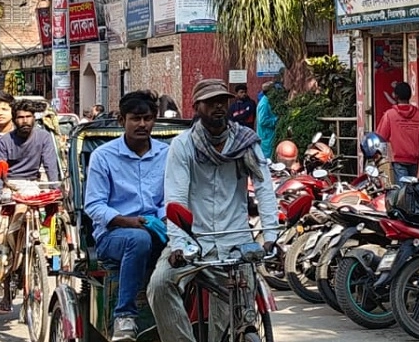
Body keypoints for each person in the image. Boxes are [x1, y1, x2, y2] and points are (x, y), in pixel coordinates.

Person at [149, 79, 278, 342]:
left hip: (236, 242)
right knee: (160, 284)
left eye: (222, 101)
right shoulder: (183, 145)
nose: (218, 107)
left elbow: (264, 188)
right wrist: (179, 245)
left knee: (235, 317)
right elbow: (176, 197)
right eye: (211, 102)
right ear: (197, 107)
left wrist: (271, 235)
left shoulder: (246, 142)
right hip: (194, 242)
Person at [85, 91, 169, 342]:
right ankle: (125, 316)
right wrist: (127, 221)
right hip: (113, 236)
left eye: (148, 118)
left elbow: (171, 198)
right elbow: (94, 205)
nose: (142, 124)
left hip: (159, 231)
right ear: (122, 120)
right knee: (138, 238)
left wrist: (165, 218)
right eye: (135, 118)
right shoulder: (104, 156)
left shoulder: (166, 153)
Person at [0, 98, 62, 314]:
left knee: (58, 218)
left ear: (34, 118)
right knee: (4, 238)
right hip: (10, 188)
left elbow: (51, 166)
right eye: (20, 117)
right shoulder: (4, 141)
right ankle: (6, 291)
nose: (24, 121)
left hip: (33, 186)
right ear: (15, 119)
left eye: (28, 117)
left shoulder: (44, 138)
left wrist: (57, 191)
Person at [377, 81, 419, 182]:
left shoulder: (390, 115)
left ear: (396, 96)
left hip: (398, 161)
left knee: (402, 194)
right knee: (413, 191)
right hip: (415, 162)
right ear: (409, 96)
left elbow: (380, 137)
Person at [256, 84, 278, 161]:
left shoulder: (268, 101)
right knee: (267, 160)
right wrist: (276, 120)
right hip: (266, 136)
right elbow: (262, 121)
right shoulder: (264, 103)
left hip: (269, 135)